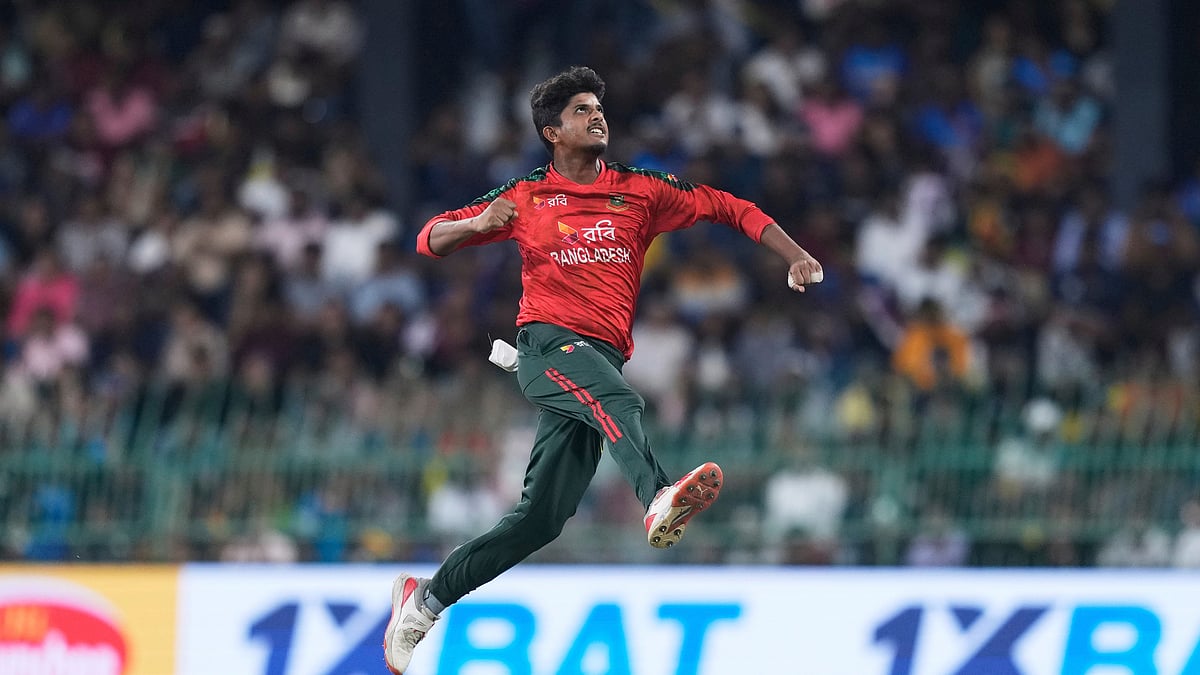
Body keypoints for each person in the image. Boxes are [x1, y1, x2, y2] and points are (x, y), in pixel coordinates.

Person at [383, 66, 822, 674]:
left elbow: (731, 207)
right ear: (551, 132)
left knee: (541, 520)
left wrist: (795, 254)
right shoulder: (525, 195)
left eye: (598, 108)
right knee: (623, 401)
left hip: (598, 361)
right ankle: (658, 495)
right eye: (581, 111)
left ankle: (424, 601)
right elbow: (427, 239)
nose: (597, 117)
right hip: (545, 348)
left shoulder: (641, 190)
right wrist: (474, 225)